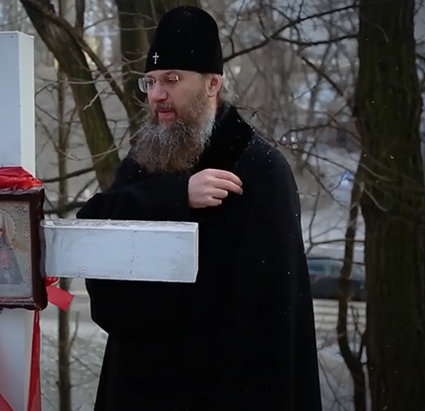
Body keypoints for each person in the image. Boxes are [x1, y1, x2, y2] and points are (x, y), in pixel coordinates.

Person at [76, 6, 322, 411]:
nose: (156, 95)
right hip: (139, 386)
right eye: (151, 81)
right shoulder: (147, 157)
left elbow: (272, 323)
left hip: (221, 392)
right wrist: (177, 197)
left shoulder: (260, 169)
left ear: (212, 84)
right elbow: (94, 226)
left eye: (172, 80)